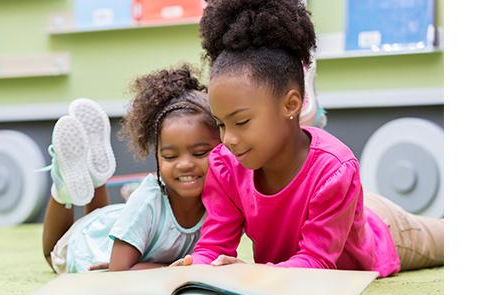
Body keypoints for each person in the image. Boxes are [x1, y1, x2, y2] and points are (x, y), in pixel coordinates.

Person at [172, 0, 443, 277]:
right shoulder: (225, 165)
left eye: (241, 122)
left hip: (386, 230)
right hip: (341, 209)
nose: (227, 138)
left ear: (291, 105)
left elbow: (318, 263)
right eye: (220, 124)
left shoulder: (334, 169)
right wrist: (195, 265)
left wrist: (255, 274)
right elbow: (214, 246)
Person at [42, 64, 221, 273]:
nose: (185, 164)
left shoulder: (221, 197)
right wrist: (173, 268)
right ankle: (63, 187)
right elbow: (118, 272)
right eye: (170, 156)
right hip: (89, 247)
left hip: (114, 222)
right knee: (53, 253)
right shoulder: (147, 201)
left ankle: (95, 174)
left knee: (100, 216)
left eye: (200, 153)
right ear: (157, 157)